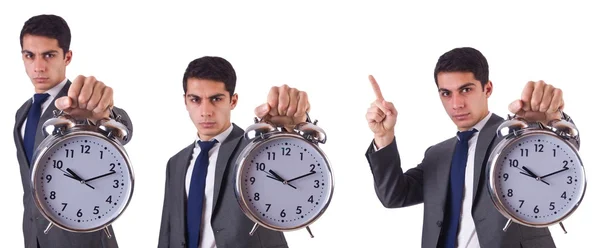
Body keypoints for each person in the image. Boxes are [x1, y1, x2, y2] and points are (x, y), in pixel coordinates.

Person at [364, 47, 579, 248]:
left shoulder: (515, 140)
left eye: (465, 90)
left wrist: (549, 122)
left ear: (487, 89)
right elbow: (393, 196)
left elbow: (563, 155)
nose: (456, 104)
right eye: (446, 93)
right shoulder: (437, 155)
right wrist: (383, 135)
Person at [157, 56, 310, 248]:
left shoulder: (256, 149)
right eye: (195, 99)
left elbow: (296, 170)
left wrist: (292, 130)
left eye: (216, 99)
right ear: (185, 101)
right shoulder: (175, 163)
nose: (205, 111)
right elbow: (168, 231)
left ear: (233, 100)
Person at [14, 14, 133, 248]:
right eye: (30, 55)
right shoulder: (22, 114)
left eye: (48, 55)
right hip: (34, 237)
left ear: (67, 57)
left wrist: (104, 114)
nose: (38, 66)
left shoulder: (80, 103)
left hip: (84, 240)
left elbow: (122, 127)